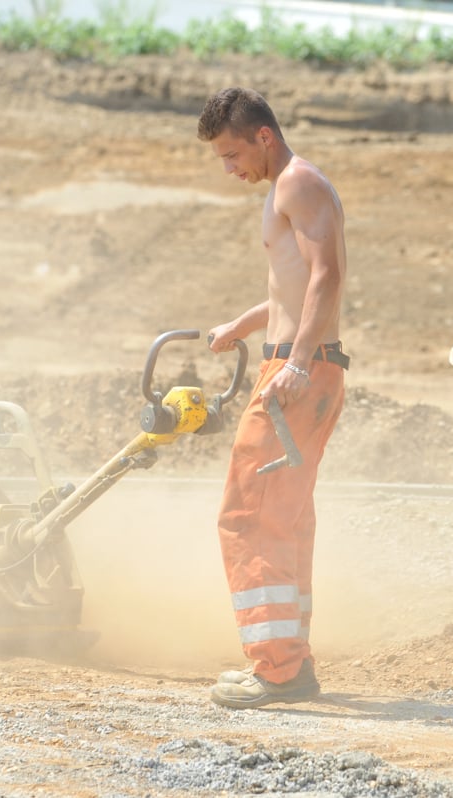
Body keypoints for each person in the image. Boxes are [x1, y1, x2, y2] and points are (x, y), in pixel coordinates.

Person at [198, 87, 350, 709]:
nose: (229, 167)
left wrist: (298, 359)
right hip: (297, 366)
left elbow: (328, 276)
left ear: (263, 135)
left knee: (249, 514)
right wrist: (245, 324)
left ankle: (278, 670)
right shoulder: (289, 186)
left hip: (298, 373)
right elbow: (294, 290)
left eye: (232, 153)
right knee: (283, 518)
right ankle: (289, 663)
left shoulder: (297, 184)